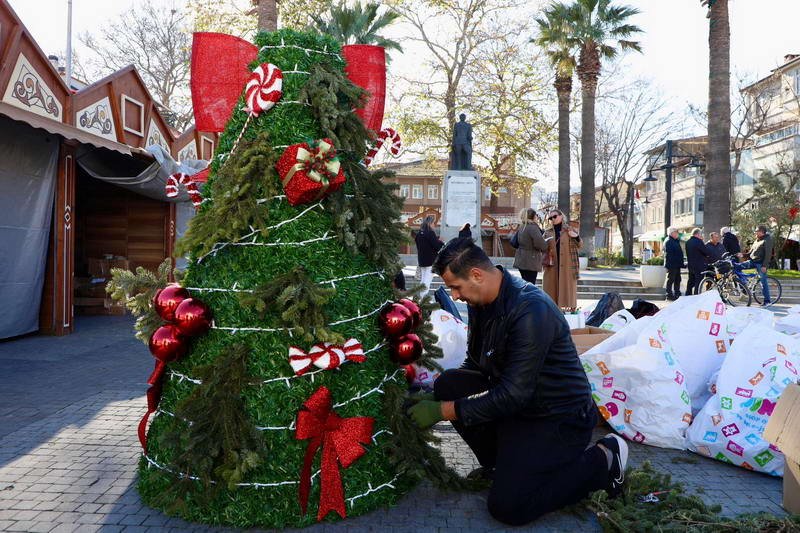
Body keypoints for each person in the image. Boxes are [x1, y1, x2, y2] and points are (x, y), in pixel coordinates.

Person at [406, 238, 628, 526]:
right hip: (520, 405)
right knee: (449, 384)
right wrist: (436, 397)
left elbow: (514, 394)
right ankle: (500, 465)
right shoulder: (482, 301)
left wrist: (442, 410)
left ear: (476, 275)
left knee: (509, 506)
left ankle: (603, 459)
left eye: (456, 287)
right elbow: (475, 364)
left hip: (557, 417)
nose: (455, 296)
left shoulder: (530, 310)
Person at [542, 209, 581, 309]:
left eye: (555, 216)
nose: (553, 219)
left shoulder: (569, 230)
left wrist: (576, 237)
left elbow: (580, 245)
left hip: (567, 264)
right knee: (551, 288)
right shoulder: (547, 232)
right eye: (550, 218)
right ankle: (552, 309)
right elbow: (542, 247)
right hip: (552, 264)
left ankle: (567, 309)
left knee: (567, 289)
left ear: (561, 216)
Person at [513, 208, 547, 286]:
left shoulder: (522, 226)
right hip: (531, 260)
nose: (537, 217)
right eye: (536, 215)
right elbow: (540, 244)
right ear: (533, 216)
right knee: (530, 285)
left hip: (521, 259)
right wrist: (546, 245)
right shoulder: (533, 227)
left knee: (525, 283)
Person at [741, 225, 774, 306]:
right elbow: (750, 253)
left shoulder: (767, 240)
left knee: (763, 281)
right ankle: (743, 286)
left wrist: (764, 266)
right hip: (752, 261)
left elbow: (768, 254)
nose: (755, 232)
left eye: (756, 231)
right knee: (737, 266)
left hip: (760, 264)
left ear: (761, 232)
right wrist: (742, 255)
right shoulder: (756, 240)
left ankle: (767, 301)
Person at [415, 215, 444, 296]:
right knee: (427, 280)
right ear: (429, 223)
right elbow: (437, 247)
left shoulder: (419, 234)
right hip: (431, 261)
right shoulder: (430, 233)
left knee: (423, 280)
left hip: (422, 260)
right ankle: (423, 298)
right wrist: (440, 242)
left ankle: (420, 297)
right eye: (433, 223)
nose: (434, 225)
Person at [685, 228, 710, 296]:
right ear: (698, 234)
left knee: (690, 281)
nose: (701, 235)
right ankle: (696, 295)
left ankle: (688, 294)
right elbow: (706, 252)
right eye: (701, 234)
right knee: (698, 282)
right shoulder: (699, 241)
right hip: (699, 265)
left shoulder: (688, 242)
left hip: (691, 265)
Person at [663, 227, 684, 301]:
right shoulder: (668, 241)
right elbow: (669, 255)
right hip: (672, 264)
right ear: (672, 233)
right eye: (676, 232)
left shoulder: (675, 241)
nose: (677, 234)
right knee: (671, 279)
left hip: (676, 264)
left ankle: (677, 293)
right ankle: (669, 295)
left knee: (678, 279)